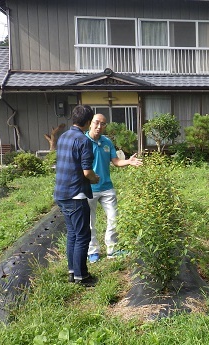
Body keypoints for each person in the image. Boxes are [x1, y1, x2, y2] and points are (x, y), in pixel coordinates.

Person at [86, 113, 143, 263]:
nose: (99, 126)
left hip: (106, 187)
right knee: (89, 222)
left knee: (114, 218)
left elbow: (116, 161)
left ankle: (112, 249)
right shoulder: (83, 141)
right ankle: (93, 251)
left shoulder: (107, 142)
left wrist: (128, 162)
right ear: (90, 123)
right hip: (88, 188)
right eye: (96, 123)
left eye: (103, 124)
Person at [54, 105, 100, 287]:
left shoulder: (63, 137)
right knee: (82, 236)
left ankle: (73, 272)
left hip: (61, 193)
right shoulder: (84, 140)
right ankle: (82, 276)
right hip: (76, 194)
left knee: (73, 233)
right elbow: (87, 172)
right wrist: (96, 178)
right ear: (88, 122)